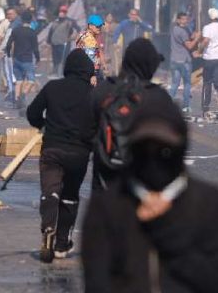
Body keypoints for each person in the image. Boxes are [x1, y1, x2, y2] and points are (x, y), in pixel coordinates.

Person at [82, 82, 218, 292]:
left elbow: (213, 280)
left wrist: (165, 228)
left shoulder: (207, 203)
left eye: (164, 151)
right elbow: (97, 282)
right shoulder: (109, 205)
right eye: (144, 150)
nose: (153, 159)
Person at [26, 49, 96, 262]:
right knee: (70, 196)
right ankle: (62, 244)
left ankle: (48, 226)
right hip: (79, 152)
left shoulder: (52, 87)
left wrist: (44, 125)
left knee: (51, 190)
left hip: (52, 149)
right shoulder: (93, 93)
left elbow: (32, 113)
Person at [90, 38, 171, 191]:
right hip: (144, 185)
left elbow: (87, 129)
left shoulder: (103, 90)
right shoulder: (158, 97)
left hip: (105, 177)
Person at [6, 10, 41, 107]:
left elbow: (8, 44)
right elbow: (35, 48)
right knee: (31, 80)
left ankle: (17, 101)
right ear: (30, 20)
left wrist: (9, 54)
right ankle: (23, 94)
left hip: (16, 59)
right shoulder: (32, 33)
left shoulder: (15, 30)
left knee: (19, 81)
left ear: (21, 19)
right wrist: (38, 58)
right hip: (27, 60)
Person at [168, 12, 199, 112]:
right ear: (178, 20)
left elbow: (187, 40)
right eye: (183, 19)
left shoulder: (175, 29)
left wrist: (193, 37)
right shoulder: (182, 31)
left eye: (186, 19)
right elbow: (189, 46)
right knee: (187, 83)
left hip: (174, 60)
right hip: (184, 61)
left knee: (175, 84)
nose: (185, 21)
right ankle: (186, 106)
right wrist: (197, 38)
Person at [46, 5, 78, 76]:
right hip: (55, 43)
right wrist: (48, 41)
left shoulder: (70, 21)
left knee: (64, 59)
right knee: (55, 58)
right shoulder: (55, 21)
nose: (61, 13)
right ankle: (55, 71)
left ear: (66, 12)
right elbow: (51, 31)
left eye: (63, 12)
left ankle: (64, 72)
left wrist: (74, 36)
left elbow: (77, 30)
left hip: (65, 43)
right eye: (60, 11)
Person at [76, 15, 105, 82]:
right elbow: (92, 58)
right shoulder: (90, 39)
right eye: (97, 26)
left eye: (100, 26)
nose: (99, 28)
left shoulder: (83, 34)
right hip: (89, 72)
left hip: (81, 69)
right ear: (90, 26)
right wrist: (93, 74)